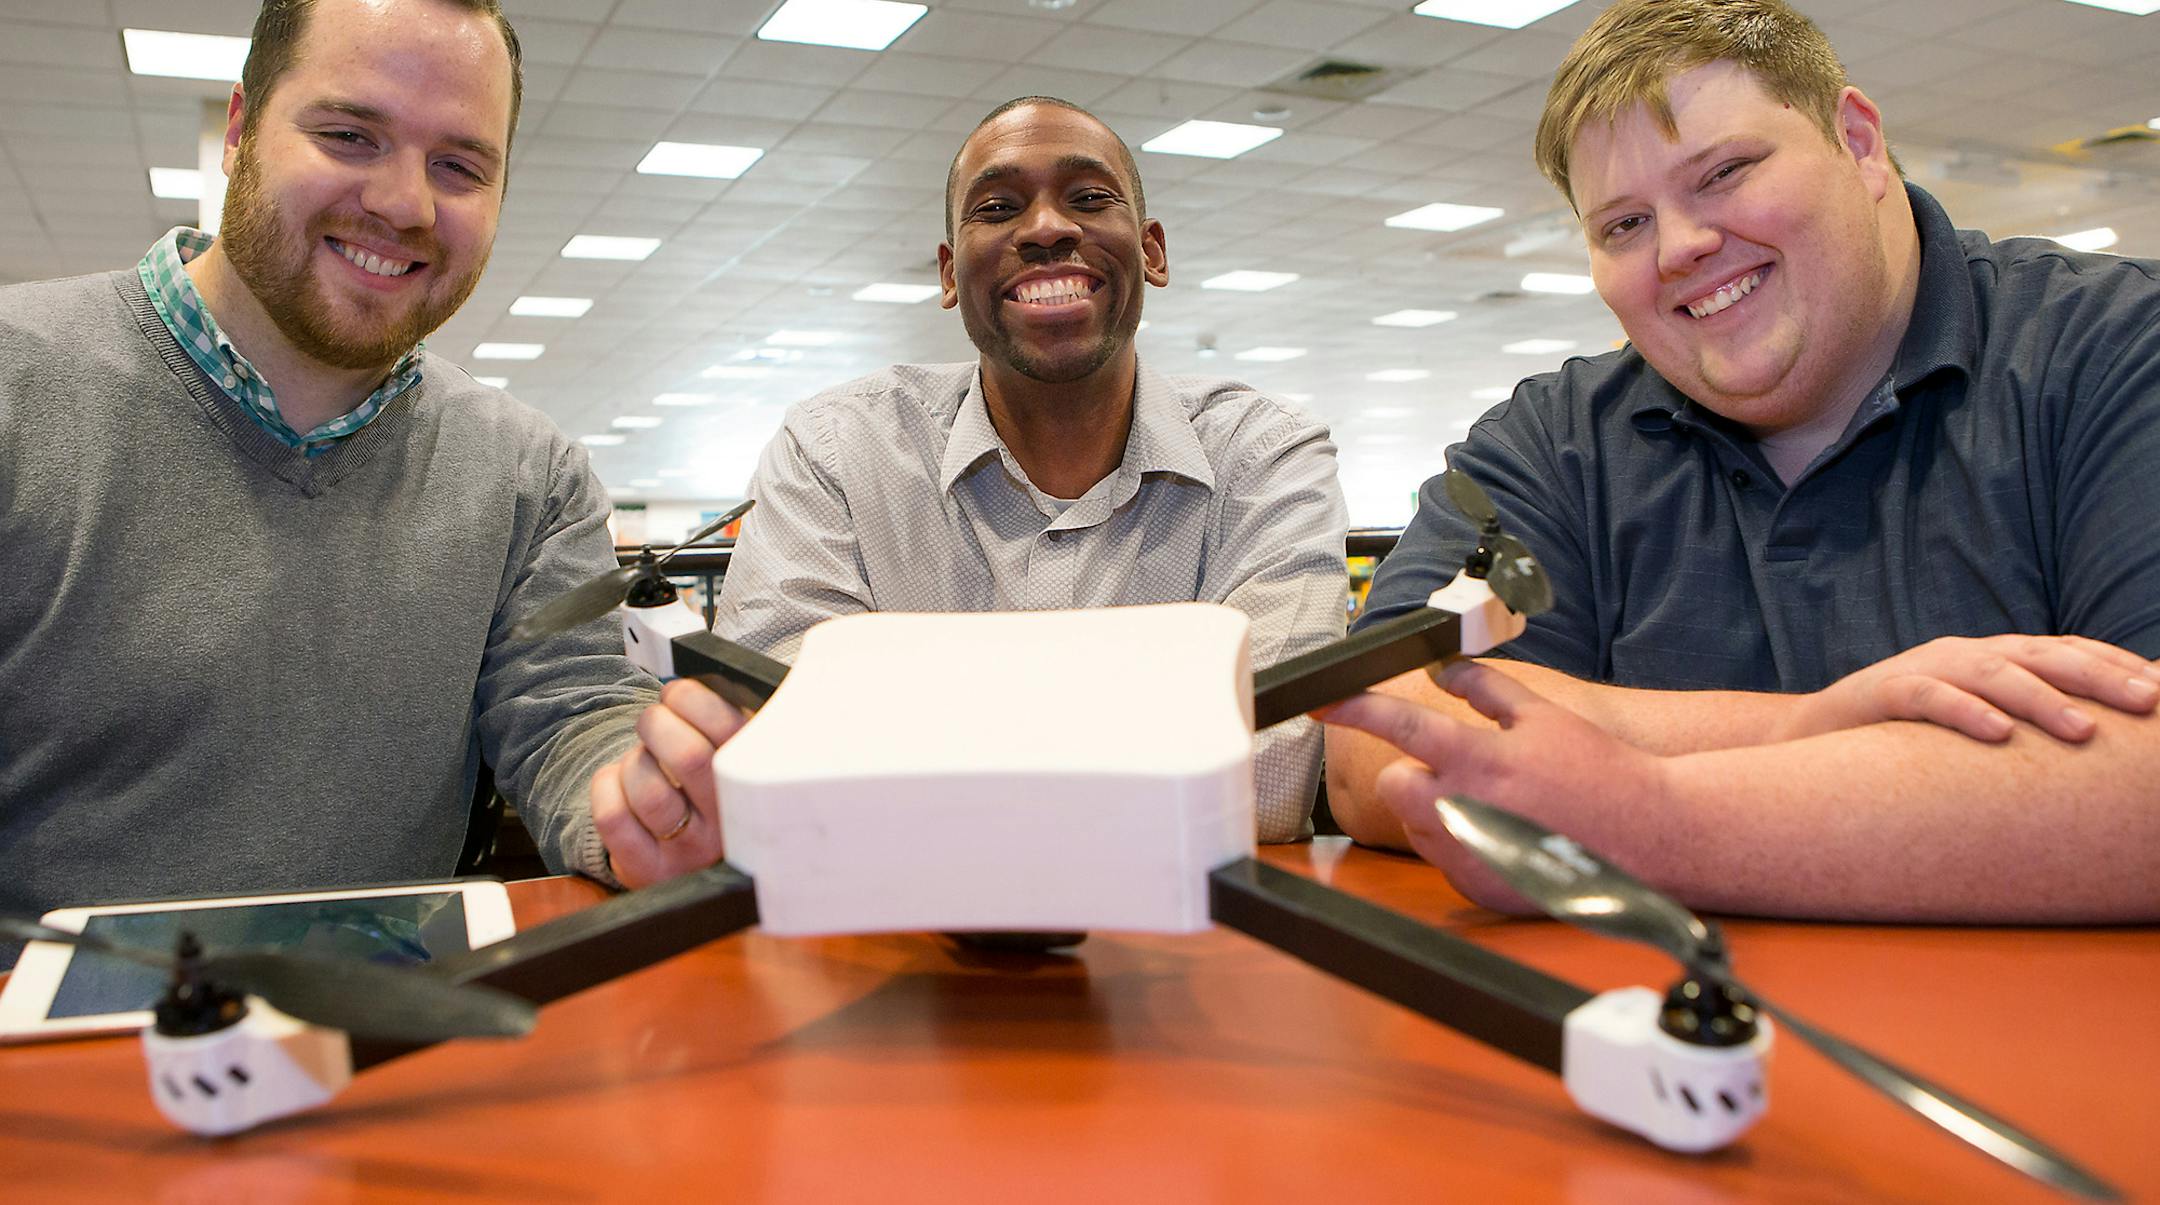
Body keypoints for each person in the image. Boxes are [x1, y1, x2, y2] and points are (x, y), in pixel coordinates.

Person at [1322, 0, 2160, 924]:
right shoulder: (1554, 442)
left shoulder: (2117, 352)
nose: (1680, 247)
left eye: (1724, 172)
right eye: (1623, 225)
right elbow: (1375, 728)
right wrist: (1803, 725)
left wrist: (1646, 817)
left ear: (1858, 141)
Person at [0, 0, 658, 948]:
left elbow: (573, 715)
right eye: (351, 136)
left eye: (459, 166)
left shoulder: (531, 475)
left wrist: (650, 798)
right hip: (49, 1054)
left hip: (389, 1041)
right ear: (239, 134)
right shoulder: (20, 390)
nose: (404, 204)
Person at [592, 97, 1349, 887]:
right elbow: (781, 758)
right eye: (998, 207)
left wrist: (918, 759)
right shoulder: (835, 454)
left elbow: (1269, 775)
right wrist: (1156, 754)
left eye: (1090, 197)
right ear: (951, 273)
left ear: (1153, 252)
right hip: (895, 951)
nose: (1047, 227)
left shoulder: (1266, 453)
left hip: (1200, 956)